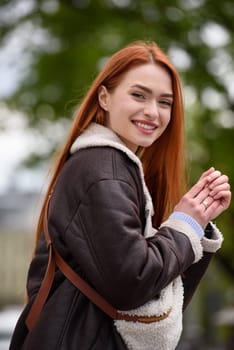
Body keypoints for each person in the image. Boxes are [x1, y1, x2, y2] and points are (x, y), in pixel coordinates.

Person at [10, 41, 231, 350]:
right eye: (138, 95)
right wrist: (185, 224)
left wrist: (197, 223)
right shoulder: (103, 168)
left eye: (165, 102)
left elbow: (158, 303)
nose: (152, 112)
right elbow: (134, 281)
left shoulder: (112, 168)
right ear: (105, 97)